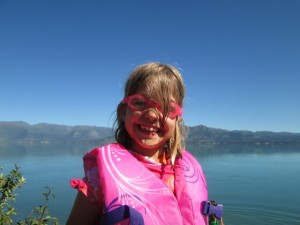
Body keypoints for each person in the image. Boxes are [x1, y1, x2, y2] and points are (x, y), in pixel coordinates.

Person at [66, 62, 208, 225]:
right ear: (123, 111)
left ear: (177, 118)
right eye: (140, 102)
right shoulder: (99, 176)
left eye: (167, 108)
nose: (153, 115)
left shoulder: (189, 169)